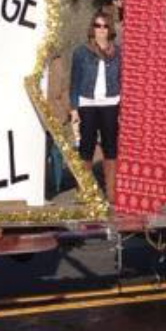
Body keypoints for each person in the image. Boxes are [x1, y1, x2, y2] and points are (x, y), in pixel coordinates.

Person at [70, 11, 122, 204]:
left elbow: (122, 79)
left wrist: (122, 105)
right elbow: (74, 81)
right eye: (97, 26)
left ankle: (111, 194)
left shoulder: (118, 53)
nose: (101, 30)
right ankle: (83, 191)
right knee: (86, 146)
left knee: (110, 147)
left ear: (110, 29)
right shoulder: (81, 52)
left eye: (105, 26)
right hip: (87, 103)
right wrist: (74, 107)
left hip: (110, 103)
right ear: (92, 28)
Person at [43, 49, 71, 197]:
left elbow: (64, 88)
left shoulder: (57, 61)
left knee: (57, 152)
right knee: (43, 152)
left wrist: (67, 110)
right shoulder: (30, 59)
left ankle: (56, 186)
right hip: (36, 113)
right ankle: (44, 189)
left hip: (56, 113)